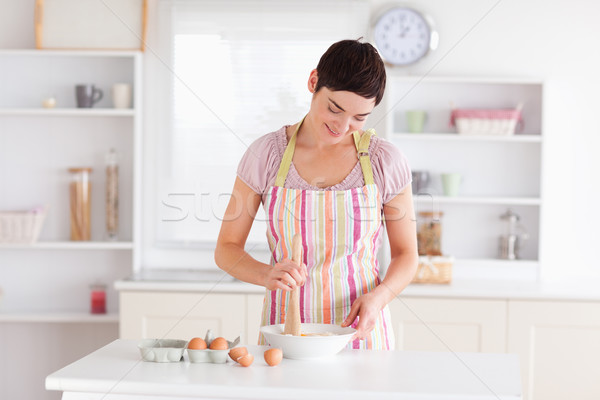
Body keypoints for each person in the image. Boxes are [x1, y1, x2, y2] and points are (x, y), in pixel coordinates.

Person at [214, 39, 418, 350]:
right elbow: (227, 249)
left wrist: (379, 298)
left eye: (359, 118)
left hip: (360, 336)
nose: (343, 125)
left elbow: (407, 255)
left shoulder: (384, 161)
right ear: (313, 82)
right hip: (286, 334)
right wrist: (267, 274)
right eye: (334, 108)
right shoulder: (266, 155)